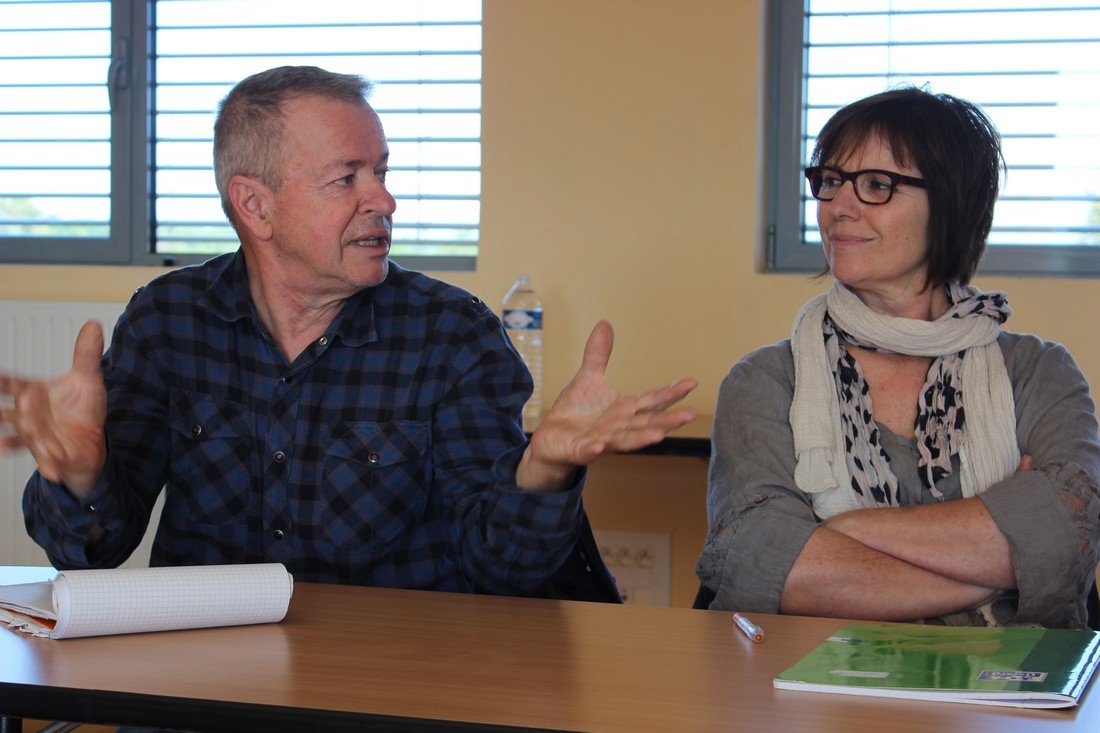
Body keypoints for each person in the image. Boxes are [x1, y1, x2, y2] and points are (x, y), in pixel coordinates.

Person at [1, 65, 697, 596]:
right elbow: (89, 553)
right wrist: (81, 478)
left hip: (393, 681)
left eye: (382, 172)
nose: (384, 200)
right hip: (208, 676)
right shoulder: (168, 321)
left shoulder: (452, 334)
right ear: (254, 205)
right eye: (347, 179)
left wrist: (543, 471)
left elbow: (502, 570)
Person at [696, 87, 1100, 628]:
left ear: (950, 204)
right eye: (831, 181)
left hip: (1013, 677)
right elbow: (765, 565)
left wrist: (845, 530)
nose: (838, 207)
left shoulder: (1038, 373)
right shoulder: (766, 380)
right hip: (819, 675)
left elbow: (1067, 539)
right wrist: (1004, 566)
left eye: (876, 185)